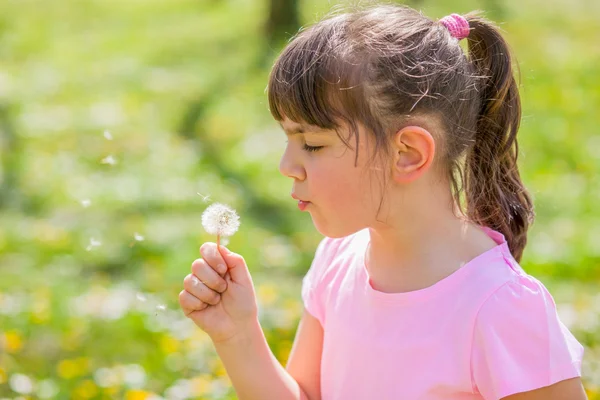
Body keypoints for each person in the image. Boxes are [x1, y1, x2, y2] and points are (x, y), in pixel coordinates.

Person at [178, 4, 587, 399]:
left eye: (313, 145)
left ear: (407, 153)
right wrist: (238, 336)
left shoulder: (499, 309)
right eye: (288, 140)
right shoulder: (336, 262)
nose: (288, 166)